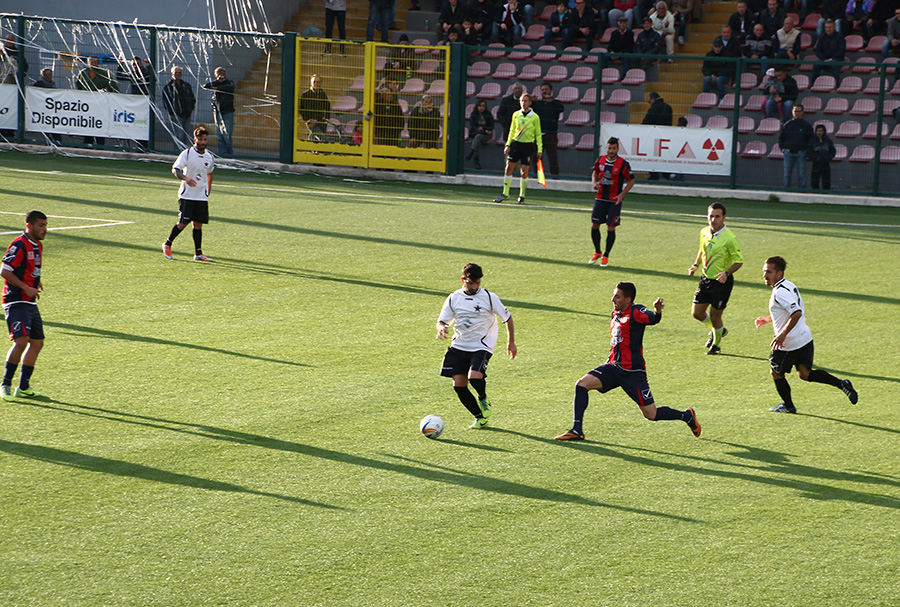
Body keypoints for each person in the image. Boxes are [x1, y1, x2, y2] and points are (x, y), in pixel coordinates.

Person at [553, 281, 701, 440]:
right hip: (613, 368)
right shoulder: (615, 314)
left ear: (628, 300)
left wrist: (657, 311)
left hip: (633, 373)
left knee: (651, 414)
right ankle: (577, 430)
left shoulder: (637, 311)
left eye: (617, 296)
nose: (612, 299)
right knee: (582, 384)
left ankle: (687, 416)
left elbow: (652, 319)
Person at [755, 256, 858, 414]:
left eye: (769, 272)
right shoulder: (789, 285)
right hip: (804, 339)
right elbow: (790, 310)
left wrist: (782, 334)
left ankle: (788, 406)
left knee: (776, 373)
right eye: (764, 271)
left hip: (788, 344)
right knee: (805, 374)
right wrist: (769, 319)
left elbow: (796, 313)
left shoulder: (779, 293)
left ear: (779, 273)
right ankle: (842, 384)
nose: (765, 275)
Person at [436, 263, 516, 429]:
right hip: (459, 345)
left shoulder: (489, 297)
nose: (474, 286)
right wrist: (442, 327)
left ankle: (482, 397)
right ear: (463, 280)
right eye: (471, 283)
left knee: (475, 376)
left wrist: (511, 342)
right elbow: (442, 320)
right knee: (459, 386)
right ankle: (479, 417)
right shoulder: (453, 298)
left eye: (477, 283)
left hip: (482, 345)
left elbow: (507, 318)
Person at [1, 210, 48, 402]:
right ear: (29, 225)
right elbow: (5, 270)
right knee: (21, 341)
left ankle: (24, 387)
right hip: (16, 299)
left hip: (29, 300)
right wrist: (25, 287)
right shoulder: (19, 244)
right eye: (40, 225)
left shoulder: (37, 245)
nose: (44, 229)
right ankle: (5, 384)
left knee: (37, 343)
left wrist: (36, 281)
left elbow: (28, 268)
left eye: (45, 225)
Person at [688, 202, 743, 355]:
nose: (713, 220)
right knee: (697, 313)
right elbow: (702, 250)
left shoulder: (730, 238)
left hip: (721, 283)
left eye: (717, 216)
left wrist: (727, 273)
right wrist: (695, 265)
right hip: (706, 279)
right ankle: (719, 330)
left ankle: (716, 345)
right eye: (711, 216)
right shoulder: (704, 232)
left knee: (715, 315)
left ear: (724, 217)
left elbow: (739, 261)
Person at [162, 126, 215, 262]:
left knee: (198, 224)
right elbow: (176, 170)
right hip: (187, 195)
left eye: (205, 140)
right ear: (195, 139)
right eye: (200, 139)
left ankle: (198, 253)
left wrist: (208, 189)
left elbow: (209, 173)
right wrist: (185, 178)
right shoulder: (187, 154)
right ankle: (167, 244)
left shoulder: (209, 157)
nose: (203, 142)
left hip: (201, 196)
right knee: (183, 222)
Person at [589, 137, 634, 266]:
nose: (611, 151)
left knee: (611, 227)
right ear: (606, 148)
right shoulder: (600, 160)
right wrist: (594, 182)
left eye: (614, 148)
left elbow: (631, 180)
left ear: (618, 149)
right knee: (594, 225)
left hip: (614, 200)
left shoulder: (623, 164)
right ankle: (597, 251)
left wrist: (622, 195)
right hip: (600, 197)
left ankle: (606, 255)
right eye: (609, 148)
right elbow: (595, 172)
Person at [494, 93, 542, 204]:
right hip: (516, 144)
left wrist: (540, 149)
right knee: (508, 167)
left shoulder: (535, 117)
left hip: (528, 145)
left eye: (525, 101)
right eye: (521, 101)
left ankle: (522, 196)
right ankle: (505, 194)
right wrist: (508, 144)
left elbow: (538, 134)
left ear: (530, 102)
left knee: (524, 171)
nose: (523, 103)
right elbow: (512, 130)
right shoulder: (516, 115)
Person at [76, 56, 118, 146]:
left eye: (95, 63)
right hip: (86, 104)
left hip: (99, 104)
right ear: (88, 63)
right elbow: (78, 86)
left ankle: (100, 144)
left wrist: (113, 97)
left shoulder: (104, 73)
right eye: (91, 63)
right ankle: (87, 142)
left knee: (99, 123)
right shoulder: (83, 73)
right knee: (87, 123)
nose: (93, 64)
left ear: (98, 63)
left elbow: (112, 87)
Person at [531, 82, 564, 176]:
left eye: (546, 89)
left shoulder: (556, 102)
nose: (544, 91)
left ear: (551, 91)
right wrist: (530, 101)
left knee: (552, 156)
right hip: (537, 134)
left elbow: (561, 109)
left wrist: (552, 102)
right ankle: (537, 175)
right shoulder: (537, 103)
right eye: (542, 89)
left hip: (551, 133)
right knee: (535, 156)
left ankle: (555, 176)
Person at [202, 67, 236, 156]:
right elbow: (206, 86)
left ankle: (230, 153)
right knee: (219, 134)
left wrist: (218, 86)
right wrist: (217, 82)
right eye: (218, 73)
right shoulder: (215, 83)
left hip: (227, 111)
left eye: (222, 73)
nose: (221, 75)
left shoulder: (229, 83)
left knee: (227, 134)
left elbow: (229, 87)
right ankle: (223, 153)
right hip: (217, 111)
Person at [779, 103, 813, 189]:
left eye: (799, 111)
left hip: (801, 153)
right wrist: (783, 149)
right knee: (787, 174)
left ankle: (802, 190)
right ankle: (787, 190)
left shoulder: (807, 126)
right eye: (795, 111)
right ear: (792, 112)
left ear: (802, 112)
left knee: (801, 174)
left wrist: (806, 151)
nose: (797, 113)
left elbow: (810, 139)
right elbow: (781, 138)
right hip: (788, 152)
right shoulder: (787, 124)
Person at [162, 65, 196, 147]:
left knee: (186, 136)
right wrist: (172, 113)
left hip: (187, 114)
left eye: (179, 73)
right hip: (176, 115)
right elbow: (166, 101)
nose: (177, 74)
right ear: (171, 73)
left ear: (182, 74)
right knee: (179, 136)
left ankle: (185, 153)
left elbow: (192, 98)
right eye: (175, 73)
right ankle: (178, 153)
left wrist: (191, 109)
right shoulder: (168, 87)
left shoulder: (187, 86)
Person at [642, 92, 672, 180]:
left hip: (653, 136)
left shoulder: (654, 108)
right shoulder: (668, 107)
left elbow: (647, 121)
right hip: (665, 135)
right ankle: (667, 174)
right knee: (664, 155)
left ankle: (653, 175)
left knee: (652, 155)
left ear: (652, 99)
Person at [298, 74, 332, 143]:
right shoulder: (306, 95)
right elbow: (301, 109)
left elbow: (327, 106)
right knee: (323, 139)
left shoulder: (323, 94)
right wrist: (308, 120)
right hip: (312, 121)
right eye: (314, 82)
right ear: (311, 83)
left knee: (316, 140)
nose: (316, 84)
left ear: (321, 83)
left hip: (321, 121)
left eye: (318, 82)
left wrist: (327, 118)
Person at [807, 123, 836, 189]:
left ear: (824, 132)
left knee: (826, 180)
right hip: (816, 163)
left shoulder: (828, 141)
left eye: (821, 131)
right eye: (818, 131)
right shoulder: (812, 141)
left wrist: (828, 158)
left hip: (826, 164)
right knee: (815, 181)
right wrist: (815, 158)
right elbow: (809, 152)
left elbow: (833, 151)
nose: (819, 132)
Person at [467, 100, 494, 169]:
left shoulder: (488, 114)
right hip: (475, 134)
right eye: (480, 106)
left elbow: (491, 126)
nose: (482, 108)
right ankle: (476, 160)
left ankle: (472, 152)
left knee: (478, 137)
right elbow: (472, 127)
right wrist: (484, 130)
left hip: (485, 136)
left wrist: (482, 129)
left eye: (483, 106)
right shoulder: (473, 114)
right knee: (477, 140)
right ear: (477, 106)